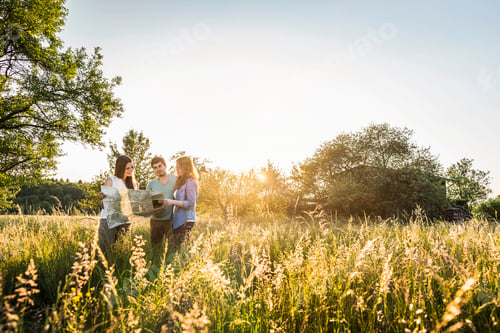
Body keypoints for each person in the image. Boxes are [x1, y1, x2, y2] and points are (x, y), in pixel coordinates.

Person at [98, 155, 139, 251]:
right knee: (105, 248)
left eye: (132, 167)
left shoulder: (134, 183)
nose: (131, 170)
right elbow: (103, 203)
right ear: (120, 169)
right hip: (109, 219)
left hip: (125, 220)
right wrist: (102, 196)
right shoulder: (111, 180)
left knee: (121, 249)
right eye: (127, 168)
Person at [163, 156, 199, 250]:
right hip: (177, 220)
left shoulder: (191, 182)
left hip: (186, 219)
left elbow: (191, 203)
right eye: (176, 167)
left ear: (186, 168)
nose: (177, 169)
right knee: (179, 248)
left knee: (183, 248)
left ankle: (188, 263)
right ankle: (183, 264)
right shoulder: (180, 181)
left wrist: (172, 202)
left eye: (179, 167)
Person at [146, 156, 176, 256]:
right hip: (155, 220)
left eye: (160, 166)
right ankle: (156, 265)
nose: (158, 169)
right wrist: (154, 210)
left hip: (171, 219)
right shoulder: (151, 184)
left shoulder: (175, 179)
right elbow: (147, 201)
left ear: (165, 166)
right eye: (155, 167)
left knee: (172, 247)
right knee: (156, 248)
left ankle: (170, 267)